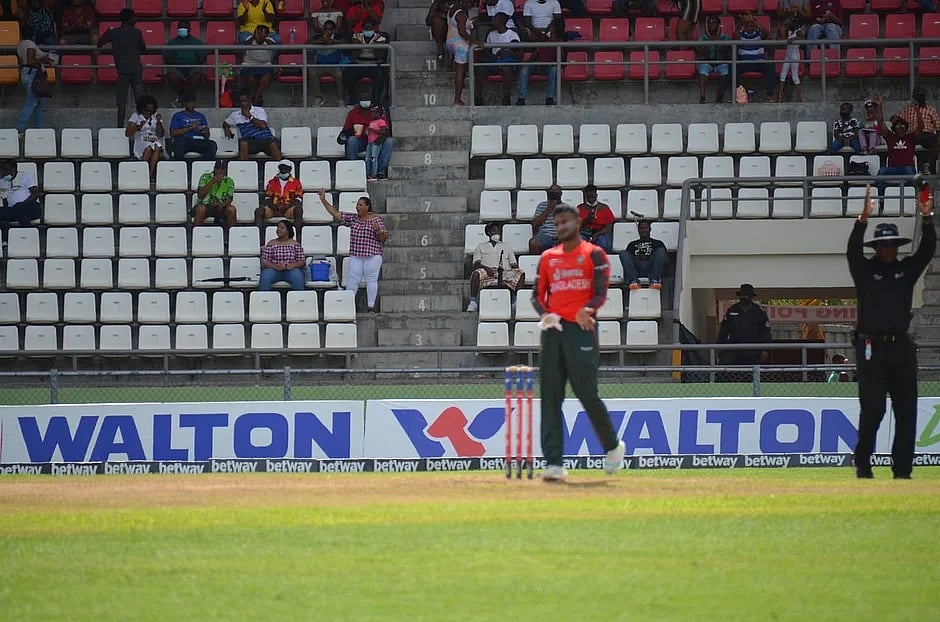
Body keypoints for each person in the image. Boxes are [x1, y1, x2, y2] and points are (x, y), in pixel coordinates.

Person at [531, 203, 625, 482]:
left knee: (586, 393)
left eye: (565, 222)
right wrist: (545, 314)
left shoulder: (594, 254)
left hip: (581, 330)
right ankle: (554, 463)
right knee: (550, 398)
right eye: (557, 223)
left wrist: (588, 310)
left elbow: (600, 292)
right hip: (553, 330)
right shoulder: (548, 257)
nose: (560, 227)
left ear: (577, 222)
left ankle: (612, 446)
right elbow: (537, 296)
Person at [847, 185, 936, 479]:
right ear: (877, 248)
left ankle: (902, 470)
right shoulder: (864, 271)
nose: (887, 250)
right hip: (870, 345)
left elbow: (927, 250)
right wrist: (862, 220)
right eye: (883, 245)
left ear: (896, 247)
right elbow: (851, 251)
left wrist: (927, 218)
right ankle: (863, 462)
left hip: (900, 347)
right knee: (873, 409)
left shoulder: (906, 271)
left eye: (891, 246)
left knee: (906, 409)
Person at [318, 190, 389, 312]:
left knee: (371, 280)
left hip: (372, 255)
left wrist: (378, 231)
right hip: (356, 254)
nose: (357, 207)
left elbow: (383, 239)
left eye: (360, 205)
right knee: (352, 279)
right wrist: (323, 200)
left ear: (367, 206)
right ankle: (348, 305)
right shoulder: (353, 218)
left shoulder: (376, 220)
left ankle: (371, 306)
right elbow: (336, 214)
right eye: (357, 205)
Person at [98, 8, 146, 128]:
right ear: (130, 19)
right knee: (140, 101)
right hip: (136, 69)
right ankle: (143, 125)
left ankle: (120, 128)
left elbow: (100, 43)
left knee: (121, 103)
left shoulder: (113, 32)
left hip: (122, 70)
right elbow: (144, 48)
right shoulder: (137, 32)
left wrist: (108, 32)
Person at [466, 222, 525, 312]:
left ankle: (516, 301)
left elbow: (513, 263)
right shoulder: (481, 246)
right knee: (476, 274)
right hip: (487, 272)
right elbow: (476, 264)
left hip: (504, 272)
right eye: (494, 230)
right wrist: (486, 268)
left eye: (498, 230)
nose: (496, 232)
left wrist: (512, 270)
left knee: (520, 273)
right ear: (489, 233)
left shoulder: (506, 246)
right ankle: (473, 302)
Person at [717, 283, 773, 368]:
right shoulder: (732, 310)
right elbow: (724, 330)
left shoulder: (759, 312)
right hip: (735, 349)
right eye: (742, 296)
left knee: (752, 375)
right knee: (731, 372)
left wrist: (765, 349)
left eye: (746, 296)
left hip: (753, 351)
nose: (744, 298)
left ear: (751, 297)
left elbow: (765, 332)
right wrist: (720, 347)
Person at [873, 93, 916, 199]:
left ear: (906, 128)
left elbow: (921, 127)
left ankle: (910, 197)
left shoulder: (911, 137)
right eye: (897, 125)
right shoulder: (890, 137)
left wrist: (918, 110)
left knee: (911, 172)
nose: (900, 126)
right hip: (893, 168)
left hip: (907, 168)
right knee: (881, 172)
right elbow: (880, 122)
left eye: (902, 125)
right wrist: (880, 106)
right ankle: (881, 198)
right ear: (894, 128)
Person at [15, 24, 55, 134]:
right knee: (30, 104)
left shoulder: (20, 45)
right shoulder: (30, 44)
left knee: (38, 106)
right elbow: (30, 61)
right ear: (33, 34)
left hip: (25, 74)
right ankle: (19, 130)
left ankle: (40, 130)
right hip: (33, 75)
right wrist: (43, 59)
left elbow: (22, 62)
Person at [343, 18, 390, 107]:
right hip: (359, 63)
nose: (368, 30)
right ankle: (353, 100)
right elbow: (355, 54)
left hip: (375, 64)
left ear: (374, 28)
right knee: (348, 74)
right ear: (363, 28)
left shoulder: (381, 37)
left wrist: (375, 43)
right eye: (366, 28)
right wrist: (359, 44)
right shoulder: (356, 36)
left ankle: (377, 102)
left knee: (381, 77)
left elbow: (378, 55)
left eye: (370, 28)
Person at [223, 92, 283, 161]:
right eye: (241, 101)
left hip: (266, 139)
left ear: (249, 101)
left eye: (245, 101)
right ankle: (245, 169)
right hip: (251, 141)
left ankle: (278, 167)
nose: (242, 103)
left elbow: (263, 126)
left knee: (274, 143)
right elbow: (225, 123)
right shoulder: (235, 115)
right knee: (243, 143)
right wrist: (226, 128)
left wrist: (250, 117)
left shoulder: (259, 110)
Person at [516, 16, 562, 106]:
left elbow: (559, 59)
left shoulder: (560, 41)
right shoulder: (544, 38)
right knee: (525, 68)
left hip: (548, 67)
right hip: (537, 65)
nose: (549, 26)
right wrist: (529, 61)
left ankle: (549, 98)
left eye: (551, 25)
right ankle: (521, 98)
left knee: (554, 69)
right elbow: (536, 52)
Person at [164, 20, 207, 107]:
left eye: (184, 28)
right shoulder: (172, 43)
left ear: (189, 29)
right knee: (171, 75)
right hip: (177, 67)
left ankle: (183, 97)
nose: (182, 29)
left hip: (193, 67)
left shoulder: (197, 42)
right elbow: (167, 58)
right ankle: (187, 97)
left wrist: (192, 63)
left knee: (198, 75)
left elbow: (202, 58)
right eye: (180, 28)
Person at [897, 85, 940, 174]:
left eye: (921, 95)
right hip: (912, 135)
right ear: (914, 97)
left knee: (938, 140)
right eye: (918, 95)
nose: (920, 97)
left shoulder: (930, 110)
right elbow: (895, 119)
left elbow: (938, 127)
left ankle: (927, 164)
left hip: (927, 135)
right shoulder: (907, 109)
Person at [257, 159, 304, 242]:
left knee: (298, 210)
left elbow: (298, 199)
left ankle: (297, 239)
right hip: (273, 208)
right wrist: (275, 209)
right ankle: (259, 239)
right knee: (259, 211)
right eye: (281, 167)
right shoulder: (272, 182)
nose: (283, 169)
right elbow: (267, 198)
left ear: (290, 169)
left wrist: (286, 208)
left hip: (288, 209)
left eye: (286, 168)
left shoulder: (296, 183)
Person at [479, 13, 519, 106]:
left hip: (507, 62)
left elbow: (518, 53)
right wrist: (495, 55)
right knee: (480, 68)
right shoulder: (491, 34)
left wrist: (508, 52)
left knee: (506, 67)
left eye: (495, 19)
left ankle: (506, 97)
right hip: (494, 61)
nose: (493, 21)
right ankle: (478, 97)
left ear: (501, 21)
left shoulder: (513, 34)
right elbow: (487, 52)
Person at [735, 12, 777, 103]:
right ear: (744, 26)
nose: (750, 27)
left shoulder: (759, 34)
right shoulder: (740, 34)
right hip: (744, 63)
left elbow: (767, 34)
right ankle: (739, 94)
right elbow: (734, 37)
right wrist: (742, 22)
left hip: (758, 62)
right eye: (748, 25)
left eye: (752, 25)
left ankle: (770, 95)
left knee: (770, 65)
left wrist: (753, 20)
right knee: (732, 66)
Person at [445, 0, 480, 106]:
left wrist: (472, 24)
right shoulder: (461, 14)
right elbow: (462, 32)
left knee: (461, 70)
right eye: (469, 2)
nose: (471, 4)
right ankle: (457, 100)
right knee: (460, 72)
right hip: (460, 45)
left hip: (450, 41)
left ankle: (458, 96)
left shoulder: (453, 9)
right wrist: (475, 41)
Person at [0, 159, 41, 243]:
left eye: (6, 170)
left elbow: (35, 194)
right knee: (18, 213)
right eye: (3, 170)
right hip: (14, 210)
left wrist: (23, 204)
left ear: (13, 169)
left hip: (31, 207)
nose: (4, 172)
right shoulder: (2, 181)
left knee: (20, 208)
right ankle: (5, 241)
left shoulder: (25, 176)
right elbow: (4, 199)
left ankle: (28, 238)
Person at [125, 95, 164, 183]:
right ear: (142, 108)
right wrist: (139, 126)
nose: (149, 112)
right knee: (149, 148)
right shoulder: (136, 116)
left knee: (157, 147)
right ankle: (143, 172)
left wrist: (158, 123)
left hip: (154, 138)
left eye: (151, 110)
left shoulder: (156, 116)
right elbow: (128, 133)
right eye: (147, 110)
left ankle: (150, 174)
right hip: (141, 139)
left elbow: (161, 134)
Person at [259, 220, 307, 291]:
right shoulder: (271, 243)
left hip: (291, 270)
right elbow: (265, 261)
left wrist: (292, 265)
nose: (278, 230)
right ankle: (263, 299)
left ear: (287, 230)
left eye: (281, 228)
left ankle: (298, 299)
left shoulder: (295, 244)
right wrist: (276, 267)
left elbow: (302, 261)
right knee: (265, 276)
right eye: (278, 228)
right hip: (274, 270)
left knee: (297, 276)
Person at [306, 19, 344, 107]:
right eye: (325, 29)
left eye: (330, 29)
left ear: (334, 30)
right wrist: (321, 41)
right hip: (320, 66)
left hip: (335, 66)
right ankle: (319, 97)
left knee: (339, 74)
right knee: (312, 72)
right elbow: (307, 42)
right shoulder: (318, 36)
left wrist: (332, 42)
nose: (327, 31)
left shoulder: (338, 36)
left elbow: (345, 41)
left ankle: (340, 99)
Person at [621, 219, 667, 290]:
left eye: (645, 228)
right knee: (623, 253)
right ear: (638, 230)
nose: (643, 230)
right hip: (637, 268)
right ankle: (633, 281)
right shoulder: (632, 244)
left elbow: (665, 260)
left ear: (650, 229)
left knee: (661, 250)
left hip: (651, 267)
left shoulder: (658, 243)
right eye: (641, 228)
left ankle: (654, 280)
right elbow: (628, 261)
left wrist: (650, 257)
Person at [168, 95, 218, 161]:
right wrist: (191, 127)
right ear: (184, 103)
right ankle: (182, 167)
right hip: (183, 140)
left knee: (212, 145)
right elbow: (173, 133)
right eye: (188, 102)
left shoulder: (201, 116)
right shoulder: (178, 115)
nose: (191, 104)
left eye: (193, 102)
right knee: (178, 146)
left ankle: (201, 166)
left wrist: (204, 131)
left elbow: (207, 136)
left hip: (198, 140)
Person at [696, 16, 731, 104]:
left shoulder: (725, 37)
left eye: (714, 23)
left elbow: (725, 51)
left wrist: (715, 40)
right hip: (708, 61)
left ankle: (720, 96)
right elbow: (701, 53)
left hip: (721, 61)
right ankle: (702, 97)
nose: (711, 25)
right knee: (703, 69)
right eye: (709, 23)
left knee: (726, 72)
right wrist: (708, 43)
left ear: (719, 25)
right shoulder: (703, 38)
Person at [240, 24, 277, 106]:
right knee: (250, 79)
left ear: (266, 35)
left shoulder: (269, 40)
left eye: (262, 33)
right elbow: (246, 44)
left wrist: (264, 38)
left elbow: (273, 45)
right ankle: (257, 96)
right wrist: (254, 36)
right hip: (249, 65)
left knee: (266, 78)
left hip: (265, 65)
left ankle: (255, 99)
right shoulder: (250, 39)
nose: (259, 36)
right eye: (258, 33)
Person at [194, 159, 237, 228]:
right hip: (206, 206)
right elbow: (200, 195)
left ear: (225, 170)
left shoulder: (229, 181)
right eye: (218, 169)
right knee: (200, 209)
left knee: (231, 210)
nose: (220, 171)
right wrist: (213, 181)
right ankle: (196, 234)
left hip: (221, 207)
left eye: (222, 169)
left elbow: (230, 198)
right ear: (214, 169)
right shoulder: (205, 177)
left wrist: (221, 205)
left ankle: (231, 235)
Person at [577, 185, 614, 253]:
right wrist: (587, 220)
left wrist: (597, 234)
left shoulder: (604, 208)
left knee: (604, 244)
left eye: (592, 197)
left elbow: (608, 227)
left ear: (596, 195)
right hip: (584, 233)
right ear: (585, 196)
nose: (591, 199)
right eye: (589, 197)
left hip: (600, 232)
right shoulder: (580, 208)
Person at [528, 184, 562, 253]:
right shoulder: (542, 205)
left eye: (556, 192)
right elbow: (535, 224)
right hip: (545, 236)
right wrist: (549, 209)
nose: (554, 194)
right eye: (552, 192)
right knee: (533, 243)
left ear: (561, 194)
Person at [776, 15, 802, 103]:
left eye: (793, 21)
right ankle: (780, 96)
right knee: (782, 75)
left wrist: (794, 39)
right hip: (788, 55)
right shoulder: (789, 31)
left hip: (795, 56)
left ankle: (799, 97)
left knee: (795, 76)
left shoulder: (799, 31)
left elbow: (803, 38)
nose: (791, 23)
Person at [364, 105, 393, 180]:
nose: (372, 114)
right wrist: (367, 131)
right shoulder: (371, 122)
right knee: (368, 158)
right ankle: (367, 174)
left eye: (374, 113)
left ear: (379, 114)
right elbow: (367, 132)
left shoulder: (381, 121)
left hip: (376, 142)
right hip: (369, 142)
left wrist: (373, 130)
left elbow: (383, 131)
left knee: (374, 158)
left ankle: (374, 174)